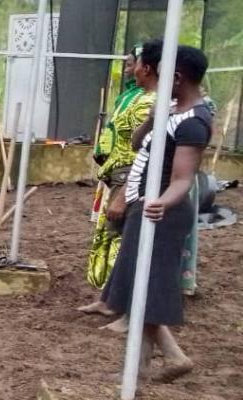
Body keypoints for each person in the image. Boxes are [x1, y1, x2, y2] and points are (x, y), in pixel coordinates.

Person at [101, 43, 211, 383]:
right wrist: (153, 117)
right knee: (140, 286)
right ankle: (160, 362)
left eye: (160, 74)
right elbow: (138, 145)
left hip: (160, 211)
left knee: (146, 288)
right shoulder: (173, 109)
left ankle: (144, 368)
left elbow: (182, 178)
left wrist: (161, 202)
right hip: (145, 203)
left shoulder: (194, 122)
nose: (152, 78)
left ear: (177, 78)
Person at [83, 44, 155, 292]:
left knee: (119, 235)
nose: (129, 70)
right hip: (118, 170)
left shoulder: (149, 101)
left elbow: (144, 151)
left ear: (145, 67)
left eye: (131, 64)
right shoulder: (131, 96)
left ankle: (119, 299)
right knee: (112, 233)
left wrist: (124, 192)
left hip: (128, 175)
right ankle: (112, 297)